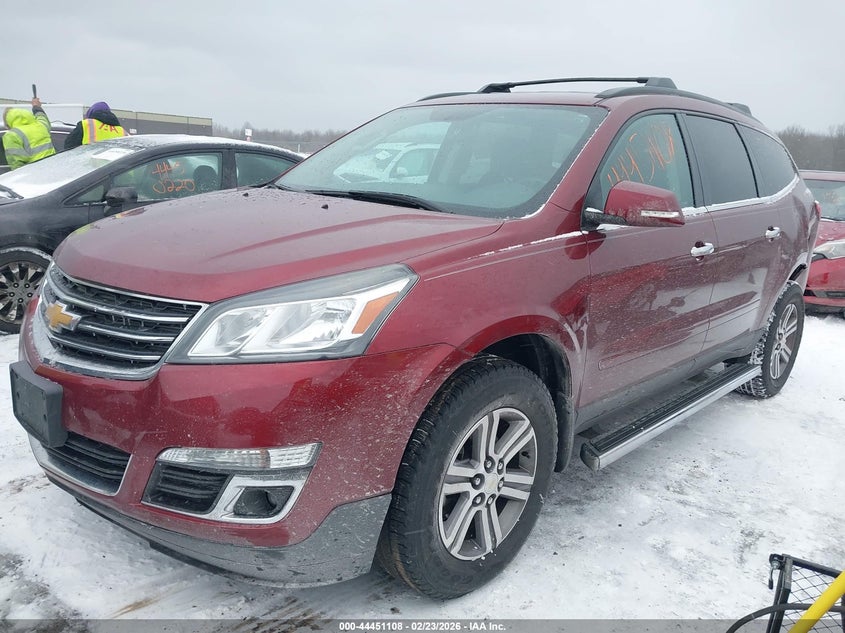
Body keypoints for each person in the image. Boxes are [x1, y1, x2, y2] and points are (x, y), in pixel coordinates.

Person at [1, 97, 56, 170]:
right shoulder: (41, 126)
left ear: (8, 122)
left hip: (34, 174)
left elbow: (17, 163)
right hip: (53, 169)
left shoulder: (12, 135)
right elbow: (42, 117)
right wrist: (36, 106)